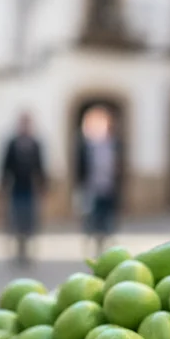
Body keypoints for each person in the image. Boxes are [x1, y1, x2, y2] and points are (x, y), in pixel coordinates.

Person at [1, 113, 48, 267]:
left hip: (30, 187)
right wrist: (3, 184)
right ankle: (19, 250)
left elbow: (40, 166)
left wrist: (42, 185)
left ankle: (27, 250)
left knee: (30, 220)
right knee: (16, 219)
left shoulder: (35, 144)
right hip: (16, 187)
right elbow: (5, 165)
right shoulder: (12, 143)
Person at [76, 106, 123, 256]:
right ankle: (93, 247)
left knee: (108, 220)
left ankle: (106, 248)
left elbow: (119, 166)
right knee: (91, 219)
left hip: (108, 188)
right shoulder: (85, 145)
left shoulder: (114, 144)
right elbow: (79, 168)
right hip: (91, 188)